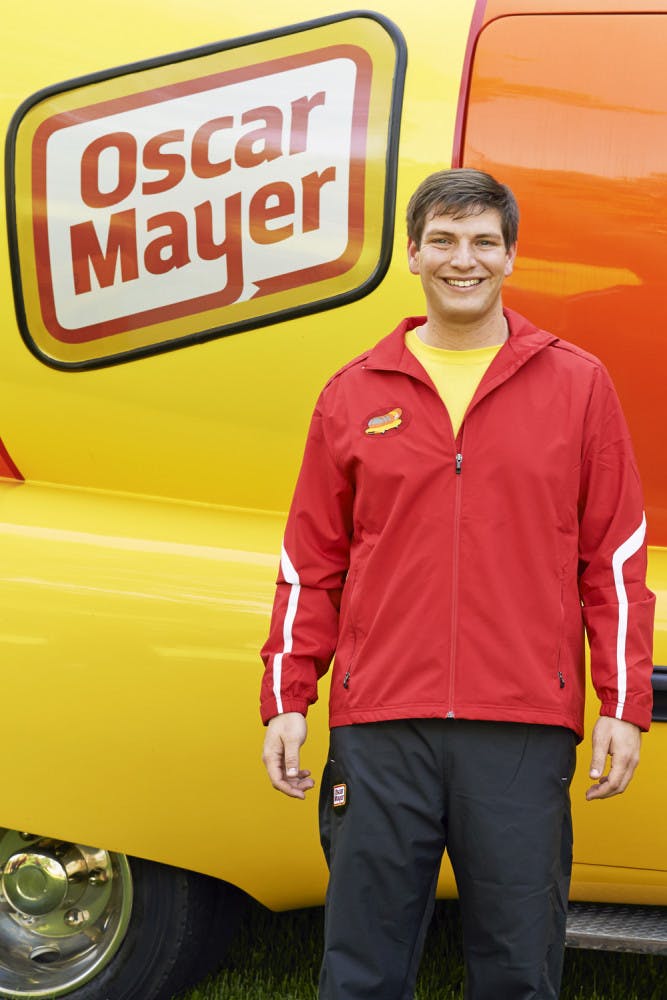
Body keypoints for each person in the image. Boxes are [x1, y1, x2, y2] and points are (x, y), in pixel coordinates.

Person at [259, 168, 655, 1000]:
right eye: (442, 239)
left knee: (516, 970)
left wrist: (622, 702)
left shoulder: (576, 386)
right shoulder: (351, 394)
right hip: (380, 726)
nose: (461, 259)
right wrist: (288, 696)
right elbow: (310, 561)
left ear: (510, 256)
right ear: (412, 254)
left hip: (519, 726)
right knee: (361, 967)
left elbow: (613, 558)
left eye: (481, 241)